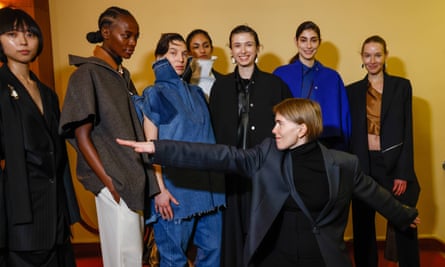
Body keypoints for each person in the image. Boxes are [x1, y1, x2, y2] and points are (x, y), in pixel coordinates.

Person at [117, 98, 420, 267]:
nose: (273, 129)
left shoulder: (344, 164)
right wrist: (160, 149)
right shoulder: (266, 154)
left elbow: (376, 195)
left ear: (302, 130)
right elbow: (219, 156)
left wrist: (406, 215)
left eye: (280, 124)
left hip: (323, 259)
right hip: (275, 258)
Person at [58, 6, 159, 267]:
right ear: (106, 32)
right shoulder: (86, 74)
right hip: (114, 181)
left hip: (132, 177)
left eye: (136, 36)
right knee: (122, 258)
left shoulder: (121, 76)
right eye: (126, 35)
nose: (133, 43)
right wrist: (109, 183)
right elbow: (82, 137)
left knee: (133, 257)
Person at [132, 33, 225, 267]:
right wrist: (160, 190)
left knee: (214, 252)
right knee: (174, 260)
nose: (180, 58)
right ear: (159, 58)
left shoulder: (197, 93)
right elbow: (150, 146)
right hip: (174, 192)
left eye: (184, 53)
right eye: (172, 53)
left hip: (208, 191)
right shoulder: (154, 93)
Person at [0, 7, 80, 266]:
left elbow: (57, 150)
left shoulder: (48, 93)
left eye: (29, 34)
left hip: (54, 206)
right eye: (12, 34)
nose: (23, 42)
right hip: (17, 203)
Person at [209, 24, 292, 267]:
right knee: (233, 236)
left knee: (266, 233)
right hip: (231, 173)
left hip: (266, 172)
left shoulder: (275, 85)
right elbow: (214, 130)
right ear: (230, 51)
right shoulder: (220, 87)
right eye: (237, 45)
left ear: (258, 49)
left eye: (248, 45)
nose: (243, 50)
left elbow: (288, 128)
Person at [346, 35, 421, 267]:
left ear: (385, 55)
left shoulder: (401, 86)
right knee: (363, 228)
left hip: (394, 166)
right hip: (363, 166)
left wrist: (404, 172)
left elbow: (408, 131)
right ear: (361, 57)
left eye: (377, 55)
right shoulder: (352, 91)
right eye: (367, 55)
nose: (372, 60)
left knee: (405, 222)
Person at [273, 21, 350, 151]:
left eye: (313, 40)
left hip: (326, 145)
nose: (308, 46)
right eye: (303, 40)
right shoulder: (281, 74)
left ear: (319, 42)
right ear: (296, 41)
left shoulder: (332, 77)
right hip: (289, 144)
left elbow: (344, 118)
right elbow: (272, 113)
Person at [185, 29, 223, 101]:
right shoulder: (182, 82)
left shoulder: (223, 81)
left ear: (211, 49)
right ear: (188, 52)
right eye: (196, 47)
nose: (202, 50)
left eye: (206, 46)